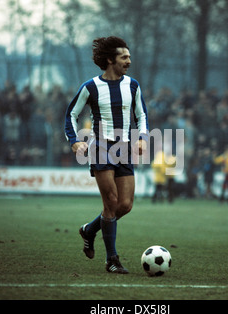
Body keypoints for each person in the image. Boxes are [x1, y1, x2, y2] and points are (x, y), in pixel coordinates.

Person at [64, 36, 149, 274]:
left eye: (129, 56)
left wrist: (142, 137)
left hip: (124, 147)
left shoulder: (132, 85)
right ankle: (112, 259)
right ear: (111, 59)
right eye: (125, 57)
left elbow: (141, 115)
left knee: (125, 204)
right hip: (100, 147)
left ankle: (90, 230)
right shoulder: (90, 87)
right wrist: (75, 142)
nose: (129, 61)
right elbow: (70, 115)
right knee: (110, 203)